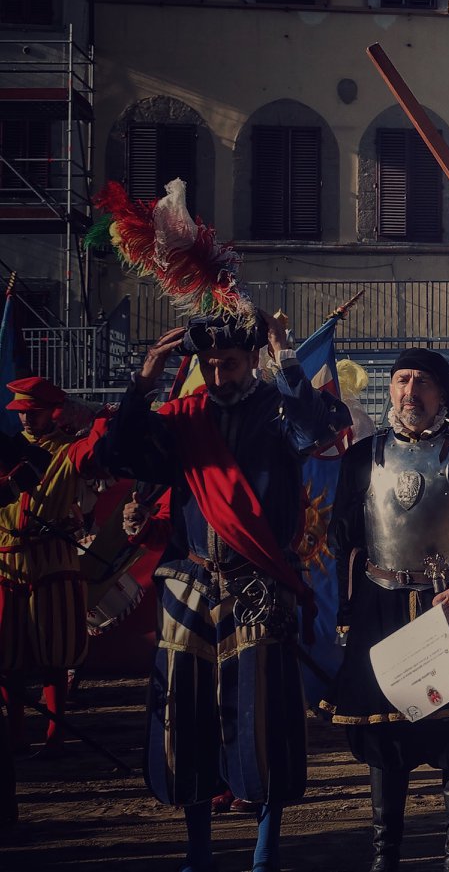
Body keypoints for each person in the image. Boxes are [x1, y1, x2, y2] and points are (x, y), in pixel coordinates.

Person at [93, 311, 346, 872]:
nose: (216, 373)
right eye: (208, 364)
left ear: (253, 359)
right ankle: (199, 848)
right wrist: (144, 380)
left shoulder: (279, 408)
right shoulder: (183, 417)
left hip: (259, 582)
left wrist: (286, 358)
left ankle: (265, 848)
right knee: (185, 718)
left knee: (264, 720)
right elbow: (117, 452)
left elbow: (319, 430)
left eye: (228, 363)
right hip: (189, 581)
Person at [320, 349, 449, 872]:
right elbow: (343, 541)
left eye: (423, 383)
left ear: (441, 394)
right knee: (386, 738)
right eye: (402, 380)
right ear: (390, 390)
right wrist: (345, 611)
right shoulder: (361, 457)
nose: (411, 392)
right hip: (380, 610)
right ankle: (385, 858)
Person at [0, 377, 106, 760]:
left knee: (54, 654)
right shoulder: (6, 450)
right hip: (8, 558)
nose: (27, 420)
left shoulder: (69, 450)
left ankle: (55, 736)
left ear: (52, 412)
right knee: (7, 656)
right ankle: (14, 735)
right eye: (23, 413)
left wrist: (95, 419)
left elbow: (97, 454)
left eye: (35, 412)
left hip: (54, 560)